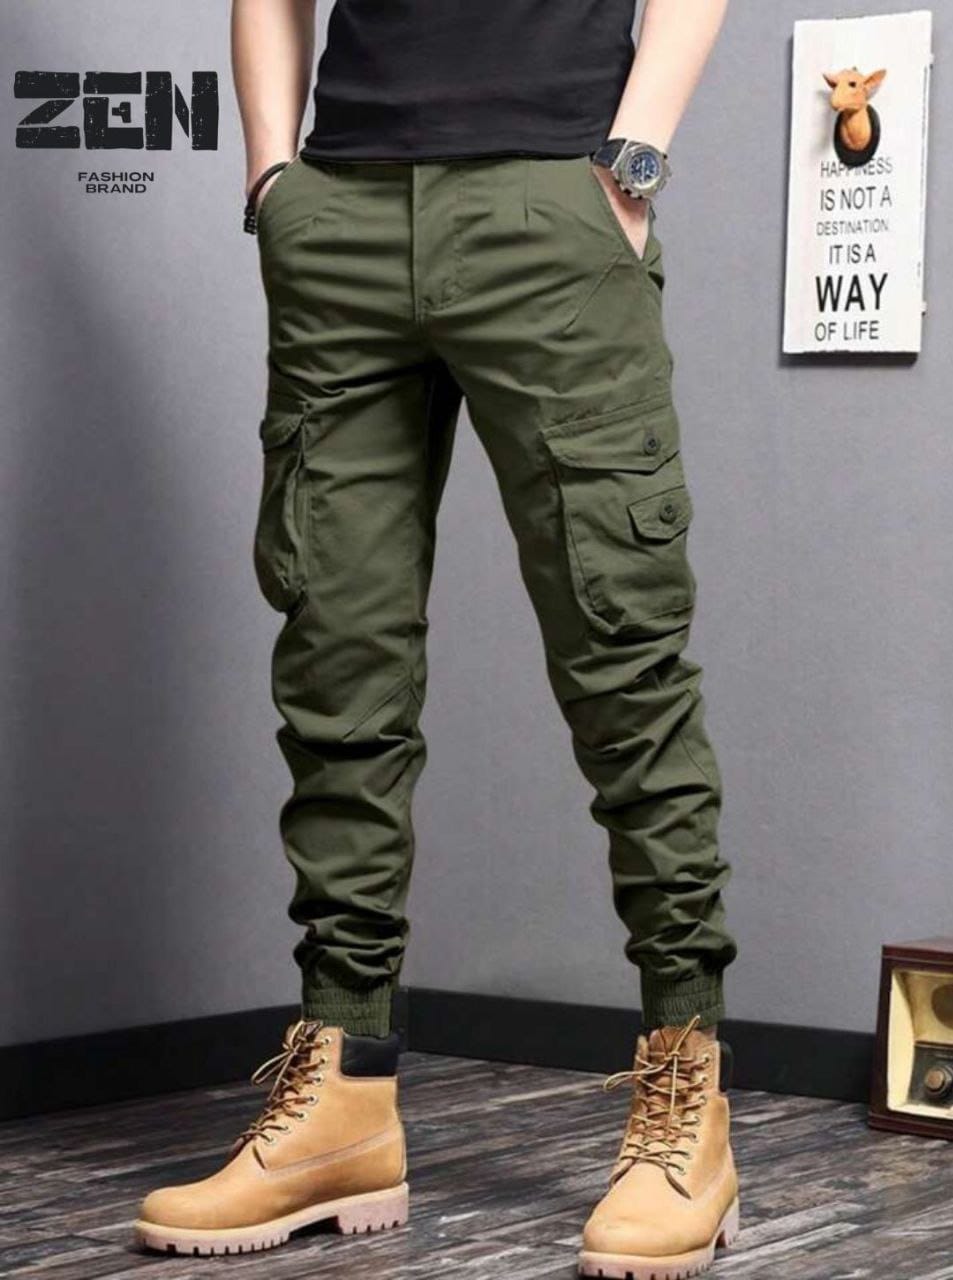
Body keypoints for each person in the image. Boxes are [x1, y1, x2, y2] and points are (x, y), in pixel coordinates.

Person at [135, 0, 740, 1274]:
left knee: (623, 657)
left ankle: (687, 1089)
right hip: (341, 211)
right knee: (334, 662)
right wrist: (271, 179)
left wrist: (630, 161)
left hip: (552, 197)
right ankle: (343, 1092)